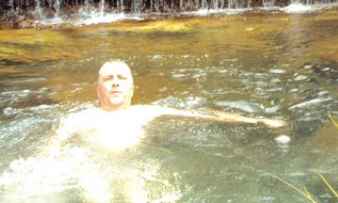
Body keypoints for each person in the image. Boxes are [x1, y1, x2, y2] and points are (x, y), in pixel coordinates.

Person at [47, 60, 287, 202]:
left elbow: (201, 115)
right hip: (94, 169)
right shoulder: (80, 118)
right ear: (97, 89)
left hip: (135, 167)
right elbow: (49, 149)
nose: (116, 82)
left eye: (122, 78)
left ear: (132, 88)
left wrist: (257, 121)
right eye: (108, 78)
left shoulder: (145, 112)